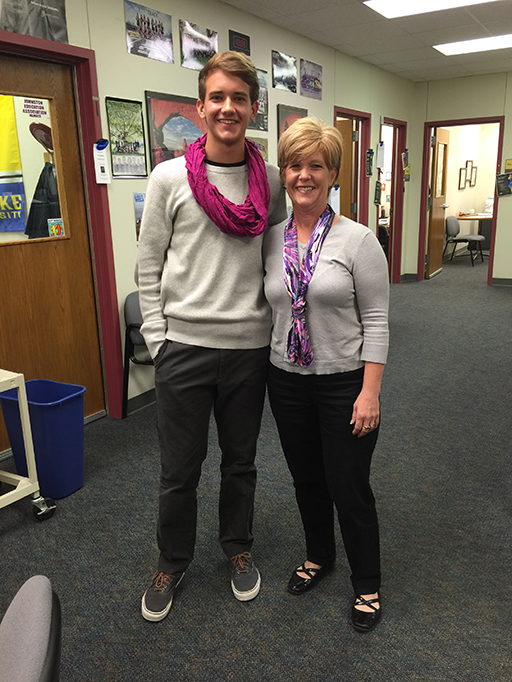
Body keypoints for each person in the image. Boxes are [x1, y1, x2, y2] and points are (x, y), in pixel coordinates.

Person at [136, 51, 286, 622]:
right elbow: (148, 267)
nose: (227, 107)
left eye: (239, 98)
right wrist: (158, 340)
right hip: (184, 350)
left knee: (240, 463)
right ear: (201, 108)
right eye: (216, 97)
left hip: (249, 351)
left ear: (253, 108)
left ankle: (237, 549)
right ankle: (171, 561)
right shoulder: (169, 178)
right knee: (180, 470)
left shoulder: (268, 181)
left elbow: (279, 256)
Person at [263, 118, 389, 633]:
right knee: (307, 480)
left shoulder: (359, 241)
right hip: (286, 380)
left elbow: (378, 319)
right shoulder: (270, 240)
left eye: (316, 165)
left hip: (345, 383)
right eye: (295, 165)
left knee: (348, 484)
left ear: (333, 174)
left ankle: (368, 584)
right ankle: (319, 556)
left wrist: (370, 394)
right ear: (284, 173)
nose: (304, 175)